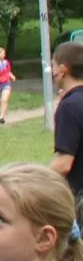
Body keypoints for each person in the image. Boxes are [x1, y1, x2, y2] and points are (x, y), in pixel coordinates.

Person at [50, 39, 83, 218]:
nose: (52, 72)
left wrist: (34, 183)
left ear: (63, 70)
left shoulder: (70, 106)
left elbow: (63, 163)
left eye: (53, 66)